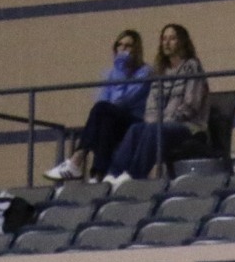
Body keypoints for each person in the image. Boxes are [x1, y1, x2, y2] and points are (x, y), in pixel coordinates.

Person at [105, 24, 209, 187]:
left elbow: (191, 104)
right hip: (162, 125)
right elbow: (151, 105)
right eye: (164, 39)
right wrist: (154, 121)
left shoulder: (192, 66)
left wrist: (165, 121)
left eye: (172, 38)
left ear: (182, 42)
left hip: (189, 127)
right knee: (136, 129)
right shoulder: (160, 71)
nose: (167, 43)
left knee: (155, 129)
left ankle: (133, 176)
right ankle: (113, 174)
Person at [46, 30, 153, 183]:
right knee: (104, 121)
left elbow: (120, 102)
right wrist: (118, 71)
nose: (123, 49)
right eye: (120, 45)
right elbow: (102, 99)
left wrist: (120, 70)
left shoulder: (145, 73)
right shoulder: (110, 73)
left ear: (136, 50)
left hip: (133, 121)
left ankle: (77, 159)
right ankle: (98, 175)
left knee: (103, 110)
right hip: (112, 120)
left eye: (128, 46)